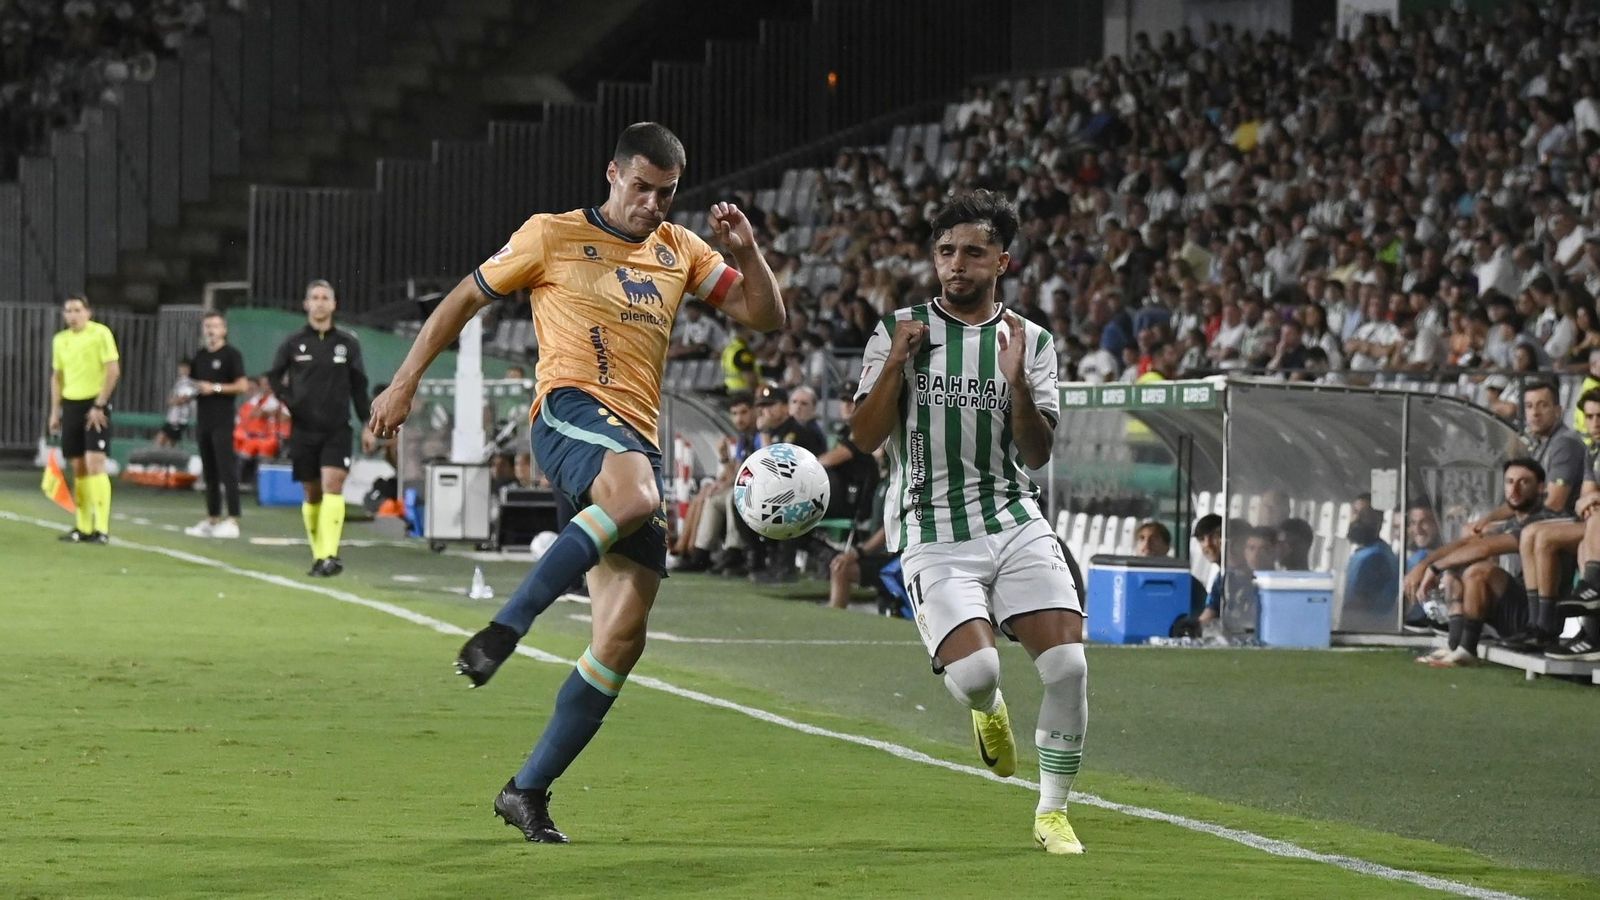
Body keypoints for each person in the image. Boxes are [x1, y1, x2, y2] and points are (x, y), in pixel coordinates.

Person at [366, 122, 784, 844]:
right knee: (637, 497)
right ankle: (507, 627)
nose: (654, 203)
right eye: (643, 188)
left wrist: (746, 249)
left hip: (635, 442)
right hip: (569, 414)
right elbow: (463, 299)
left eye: (667, 193)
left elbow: (764, 316)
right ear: (613, 174)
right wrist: (405, 382)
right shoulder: (550, 236)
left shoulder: (680, 249)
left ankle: (526, 790)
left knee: (623, 638)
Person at [849, 190, 1088, 855]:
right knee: (980, 676)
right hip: (929, 524)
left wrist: (1015, 384)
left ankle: (1052, 813)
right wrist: (897, 360)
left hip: (1011, 515)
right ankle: (988, 712)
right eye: (947, 251)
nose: (957, 265)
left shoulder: (1031, 341)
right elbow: (866, 436)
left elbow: (1038, 454)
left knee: (1067, 666)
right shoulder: (898, 328)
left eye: (974, 253)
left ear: (1002, 261)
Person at [267, 279, 374, 577]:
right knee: (312, 493)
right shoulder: (293, 343)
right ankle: (319, 555)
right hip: (303, 429)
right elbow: (274, 377)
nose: (320, 302)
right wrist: (289, 401)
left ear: (334, 304)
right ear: (306, 304)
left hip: (337, 428)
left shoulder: (348, 344)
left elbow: (359, 387)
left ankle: (330, 554)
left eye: (325, 297)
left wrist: (368, 425)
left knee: (333, 484)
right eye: (314, 297)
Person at [1405, 459, 1556, 667]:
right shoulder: (1515, 521)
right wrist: (1423, 566)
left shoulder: (1543, 520)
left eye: (1524, 482)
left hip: (1539, 617)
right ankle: (1455, 645)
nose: (1515, 489)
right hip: (1516, 611)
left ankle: (1467, 650)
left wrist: (1434, 568)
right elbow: (1467, 543)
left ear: (1540, 488)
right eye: (1510, 482)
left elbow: (1485, 548)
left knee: (1479, 571)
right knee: (1454, 572)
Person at [47, 295, 119, 544]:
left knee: (95, 462)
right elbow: (57, 377)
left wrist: (100, 404)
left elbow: (112, 370)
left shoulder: (101, 334)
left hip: (94, 403)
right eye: (68, 311)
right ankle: (83, 526)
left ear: (88, 312)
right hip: (72, 404)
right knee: (78, 466)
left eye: (77, 310)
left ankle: (102, 528)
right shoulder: (60, 340)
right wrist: (55, 411)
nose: (73, 315)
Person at [673, 391, 761, 572]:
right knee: (714, 500)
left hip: (759, 490)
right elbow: (736, 473)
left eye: (743, 412)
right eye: (735, 414)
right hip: (746, 487)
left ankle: (734, 551)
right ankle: (701, 553)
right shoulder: (744, 439)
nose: (739, 419)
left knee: (732, 498)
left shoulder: (761, 437)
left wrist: (726, 483)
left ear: (754, 411)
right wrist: (723, 459)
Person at [183, 311, 249, 539]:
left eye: (215, 326)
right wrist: (185, 394)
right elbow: (191, 385)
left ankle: (233, 519)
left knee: (226, 469)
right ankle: (212, 517)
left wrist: (216, 388)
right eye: (207, 326)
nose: (211, 330)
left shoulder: (232, 355)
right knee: (209, 470)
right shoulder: (199, 357)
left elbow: (242, 385)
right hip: (203, 419)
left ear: (224, 330)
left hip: (223, 419)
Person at [156, 361, 195, 447]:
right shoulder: (179, 382)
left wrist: (173, 401)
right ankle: (163, 459)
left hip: (179, 419)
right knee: (167, 442)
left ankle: (162, 459)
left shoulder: (190, 383)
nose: (182, 370)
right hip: (172, 417)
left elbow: (183, 399)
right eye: (181, 367)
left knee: (163, 439)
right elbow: (171, 399)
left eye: (185, 368)